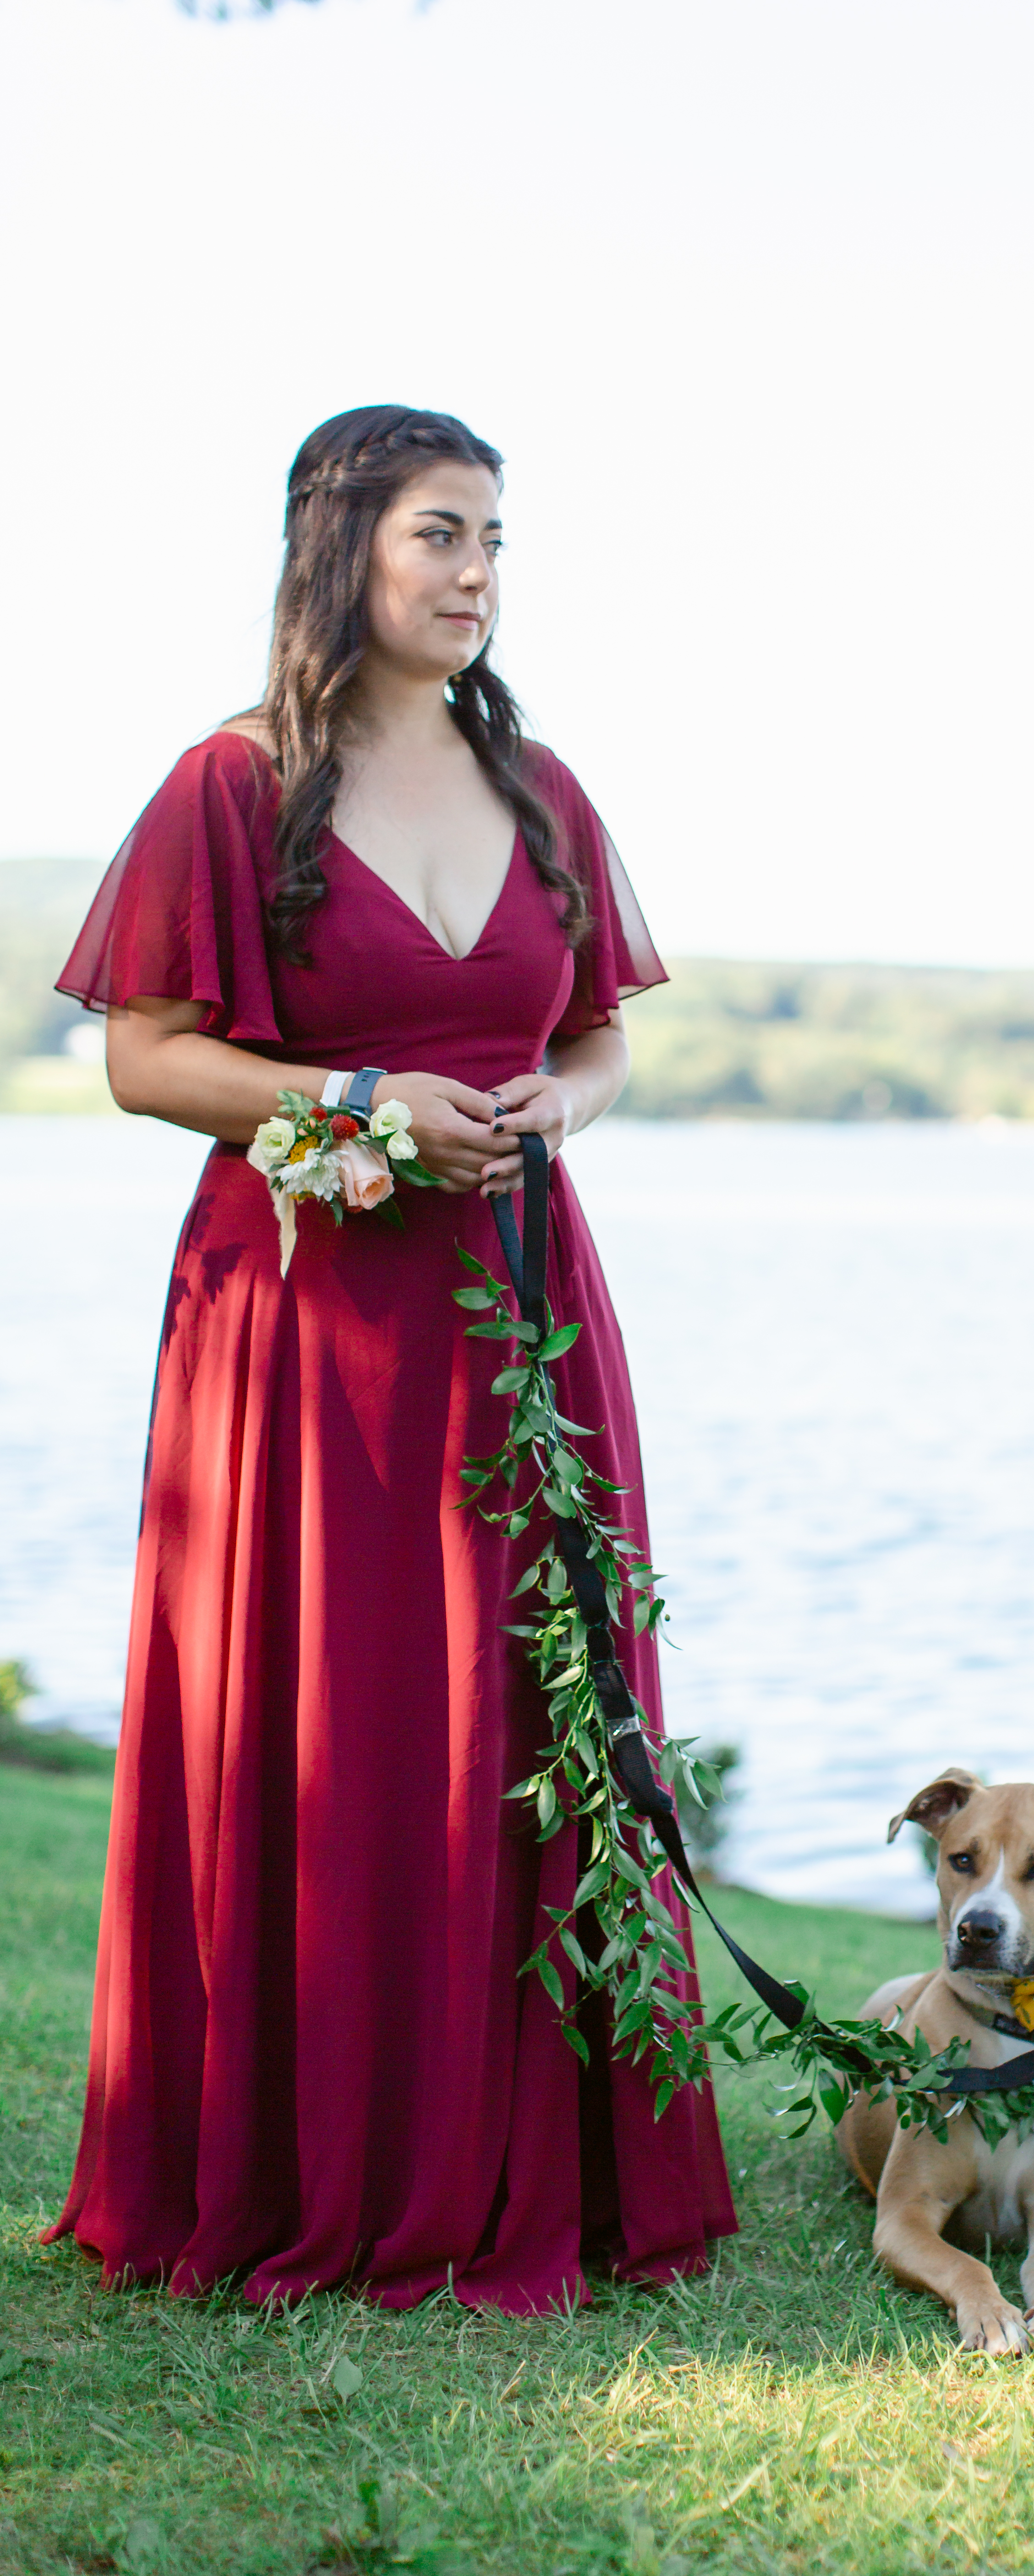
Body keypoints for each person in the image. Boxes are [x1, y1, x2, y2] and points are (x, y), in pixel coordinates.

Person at [46, 405, 735, 2311]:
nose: (477, 574)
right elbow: (145, 1058)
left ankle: (546, 2163)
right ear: (341, 538)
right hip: (303, 1335)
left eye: (496, 541)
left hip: (523, 1303)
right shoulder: (229, 784)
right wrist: (356, 1095)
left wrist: (556, 1110)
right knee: (332, 1719)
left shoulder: (547, 795)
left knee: (532, 1714)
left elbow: (599, 1037)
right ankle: (305, 2154)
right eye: (443, 533)